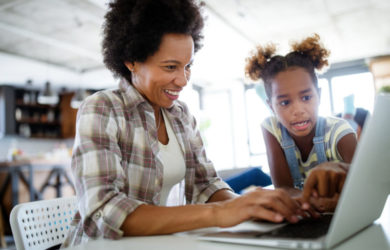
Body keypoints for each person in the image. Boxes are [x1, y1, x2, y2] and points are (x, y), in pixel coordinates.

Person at [62, 0, 307, 247]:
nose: (183, 80)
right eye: (171, 67)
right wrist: (220, 213)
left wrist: (252, 207)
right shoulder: (102, 109)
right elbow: (104, 211)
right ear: (131, 61)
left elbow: (206, 184)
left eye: (187, 66)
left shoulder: (181, 116)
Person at [245, 34, 357, 211]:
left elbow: (366, 180)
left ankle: (350, 110)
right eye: (284, 102)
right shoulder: (271, 129)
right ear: (271, 107)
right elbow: (283, 189)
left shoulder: (339, 130)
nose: (298, 110)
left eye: (306, 97)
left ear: (318, 95)